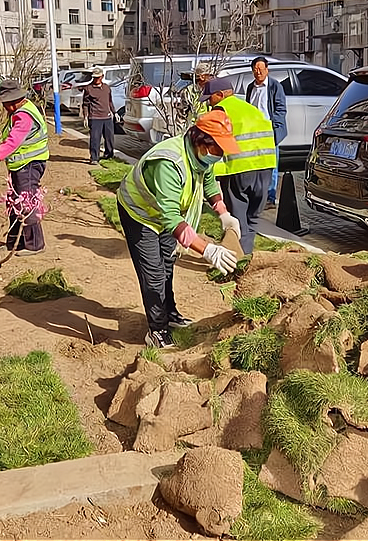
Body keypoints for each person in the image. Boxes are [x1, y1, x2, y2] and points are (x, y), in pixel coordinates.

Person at [117, 109, 244, 349]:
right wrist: (207, 250)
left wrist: (223, 213)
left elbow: (209, 182)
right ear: (201, 142)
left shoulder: (200, 158)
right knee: (153, 274)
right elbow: (172, 220)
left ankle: (170, 313)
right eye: (218, 149)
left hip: (166, 214)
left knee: (167, 263)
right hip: (140, 214)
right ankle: (157, 330)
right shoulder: (169, 163)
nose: (221, 154)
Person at [203, 78, 277, 255]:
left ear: (220, 95)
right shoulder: (251, 109)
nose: (208, 103)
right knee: (252, 218)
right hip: (265, 168)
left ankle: (238, 258)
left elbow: (209, 144)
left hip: (238, 170)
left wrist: (213, 173)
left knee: (238, 218)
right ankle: (246, 254)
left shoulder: (221, 111)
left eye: (209, 98)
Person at [0, 79, 50, 256]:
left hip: (30, 164)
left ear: (16, 100)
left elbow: (14, 141)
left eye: (8, 103)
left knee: (26, 202)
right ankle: (14, 243)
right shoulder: (18, 111)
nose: (6, 107)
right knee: (14, 202)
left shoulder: (24, 115)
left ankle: (35, 244)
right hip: (20, 165)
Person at [245, 57, 287, 208]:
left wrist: (275, 127)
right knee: (256, 165)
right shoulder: (251, 87)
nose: (259, 72)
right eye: (256, 70)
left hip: (269, 131)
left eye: (261, 69)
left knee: (271, 165)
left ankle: (270, 197)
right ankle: (257, 195)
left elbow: (281, 108)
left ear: (267, 70)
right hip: (254, 132)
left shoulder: (275, 86)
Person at [81, 66, 115, 164]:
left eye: (98, 77)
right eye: (94, 77)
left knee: (109, 138)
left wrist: (114, 112)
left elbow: (110, 101)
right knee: (95, 139)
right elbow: (85, 104)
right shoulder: (88, 89)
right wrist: (85, 116)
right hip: (95, 117)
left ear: (102, 77)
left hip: (107, 117)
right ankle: (94, 158)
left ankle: (109, 155)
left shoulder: (106, 88)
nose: (96, 79)